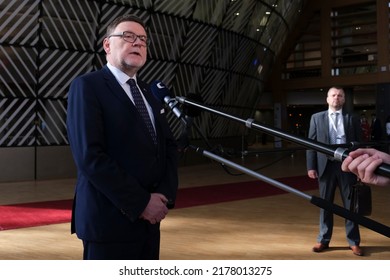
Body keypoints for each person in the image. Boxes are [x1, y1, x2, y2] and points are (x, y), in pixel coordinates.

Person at [66, 14, 179, 260]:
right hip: (108, 223)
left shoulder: (150, 93)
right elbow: (90, 157)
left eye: (143, 39)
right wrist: (141, 203)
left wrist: (163, 197)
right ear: (107, 45)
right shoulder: (87, 87)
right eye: (128, 36)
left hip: (149, 223)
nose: (137, 42)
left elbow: (168, 147)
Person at [306, 86, 363, 256]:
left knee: (351, 206)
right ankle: (323, 240)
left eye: (340, 95)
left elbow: (359, 144)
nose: (336, 98)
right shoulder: (316, 118)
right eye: (333, 95)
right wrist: (311, 166)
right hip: (325, 167)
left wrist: (359, 166)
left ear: (344, 99)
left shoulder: (352, 118)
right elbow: (310, 144)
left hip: (348, 167)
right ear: (327, 99)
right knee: (325, 205)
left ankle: (354, 242)